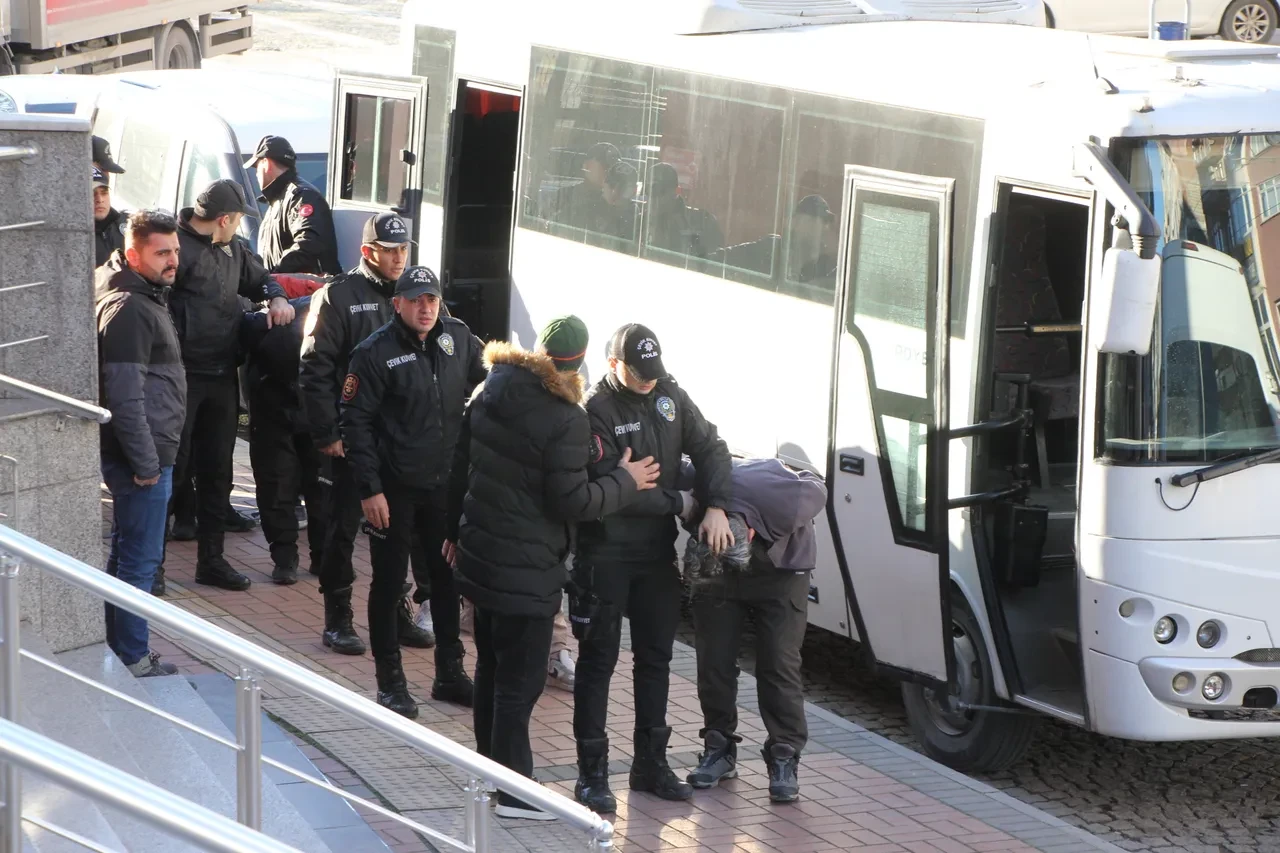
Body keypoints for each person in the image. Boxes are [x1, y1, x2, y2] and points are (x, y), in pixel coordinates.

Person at [443, 316, 661, 821]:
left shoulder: (493, 385)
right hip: (528, 570)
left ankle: (490, 776)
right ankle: (517, 795)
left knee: (492, 670)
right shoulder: (566, 418)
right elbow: (573, 500)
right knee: (520, 685)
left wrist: (453, 533)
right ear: (579, 363)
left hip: (482, 556)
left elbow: (460, 464)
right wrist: (626, 480)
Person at [572, 323, 734, 812]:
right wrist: (678, 502)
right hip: (605, 555)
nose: (647, 381)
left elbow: (712, 447)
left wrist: (717, 505)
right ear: (613, 364)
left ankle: (650, 764)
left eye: (652, 372)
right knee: (598, 663)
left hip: (654, 558)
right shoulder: (594, 410)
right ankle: (592, 775)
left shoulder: (668, 394)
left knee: (656, 660)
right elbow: (609, 491)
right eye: (638, 373)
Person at [339, 265, 485, 717]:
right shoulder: (374, 352)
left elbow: (493, 376)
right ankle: (391, 682)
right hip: (394, 492)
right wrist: (370, 490)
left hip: (443, 489)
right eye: (416, 299)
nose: (426, 308)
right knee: (387, 584)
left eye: (432, 299)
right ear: (396, 303)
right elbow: (354, 423)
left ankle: (449, 674)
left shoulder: (457, 338)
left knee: (445, 581)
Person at [299, 213, 435, 656]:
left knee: (400, 532)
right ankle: (337, 617)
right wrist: (329, 433)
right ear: (367, 252)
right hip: (350, 439)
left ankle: (398, 613)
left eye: (404, 250)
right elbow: (314, 369)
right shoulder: (338, 296)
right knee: (342, 529)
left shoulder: (417, 295)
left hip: (400, 444)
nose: (398, 258)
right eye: (390, 250)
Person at [161, 179, 293, 594]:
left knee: (218, 471)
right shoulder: (176, 250)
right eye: (237, 220)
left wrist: (275, 298)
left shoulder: (233, 250)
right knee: (172, 470)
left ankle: (212, 560)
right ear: (224, 219)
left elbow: (263, 279)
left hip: (221, 376)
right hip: (180, 376)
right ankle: (152, 564)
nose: (238, 227)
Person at [680, 458, 827, 804]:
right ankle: (719, 747)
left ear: (746, 532)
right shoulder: (695, 481)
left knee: (779, 662)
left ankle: (784, 754)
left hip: (780, 571)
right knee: (714, 658)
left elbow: (819, 487)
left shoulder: (789, 497)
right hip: (720, 565)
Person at [95, 210, 186, 677]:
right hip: (143, 460)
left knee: (127, 553)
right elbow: (125, 395)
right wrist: (148, 462)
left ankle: (119, 650)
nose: (173, 260)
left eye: (175, 250)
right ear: (134, 255)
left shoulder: (145, 295)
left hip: (146, 455)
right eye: (162, 252)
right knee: (140, 561)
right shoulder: (130, 307)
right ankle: (132, 657)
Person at [240, 296, 328, 585]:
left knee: (295, 487)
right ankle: (298, 557)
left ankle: (292, 559)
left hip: (287, 406)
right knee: (295, 486)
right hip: (282, 407)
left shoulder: (268, 320)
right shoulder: (272, 320)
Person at [245, 135, 341, 276]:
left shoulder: (301, 196)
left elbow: (308, 245)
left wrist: (273, 274)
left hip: (304, 294)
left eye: (256, 167)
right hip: (285, 291)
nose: (257, 174)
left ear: (266, 163)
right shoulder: (279, 199)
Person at [93, 167, 127, 268]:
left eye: (104, 193)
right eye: (92, 193)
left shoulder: (128, 224)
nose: (100, 199)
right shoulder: (74, 236)